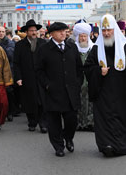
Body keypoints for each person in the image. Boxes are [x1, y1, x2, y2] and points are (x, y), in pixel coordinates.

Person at [84, 14, 126, 157]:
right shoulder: (96, 49)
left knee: (122, 118)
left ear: (114, 29)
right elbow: (88, 68)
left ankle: (123, 145)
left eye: (109, 30)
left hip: (123, 92)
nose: (106, 33)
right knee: (105, 119)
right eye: (104, 30)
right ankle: (106, 145)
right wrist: (98, 71)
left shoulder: (125, 46)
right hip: (103, 92)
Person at [36, 22, 83, 157]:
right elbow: (39, 70)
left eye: (65, 31)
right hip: (53, 92)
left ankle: (68, 138)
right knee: (54, 121)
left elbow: (79, 68)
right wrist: (47, 85)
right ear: (52, 34)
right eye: (60, 31)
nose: (63, 33)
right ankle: (58, 146)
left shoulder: (72, 47)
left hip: (71, 91)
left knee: (71, 120)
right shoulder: (44, 49)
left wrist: (77, 83)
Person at [14, 19, 48, 133]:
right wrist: (18, 77)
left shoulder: (43, 43)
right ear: (27, 32)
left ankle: (43, 124)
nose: (34, 32)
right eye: (31, 30)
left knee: (42, 101)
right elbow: (16, 63)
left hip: (41, 77)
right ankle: (32, 122)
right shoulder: (20, 45)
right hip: (27, 77)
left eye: (35, 30)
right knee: (29, 101)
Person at [73, 22, 95, 131]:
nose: (83, 38)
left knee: (91, 101)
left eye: (84, 36)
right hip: (78, 79)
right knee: (79, 100)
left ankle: (90, 122)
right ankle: (79, 122)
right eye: (81, 36)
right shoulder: (73, 49)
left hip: (90, 79)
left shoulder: (93, 48)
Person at [0, 26, 16, 122]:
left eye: (3, 32)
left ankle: (10, 112)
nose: (1, 33)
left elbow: (10, 55)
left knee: (9, 92)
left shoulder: (10, 42)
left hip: (7, 70)